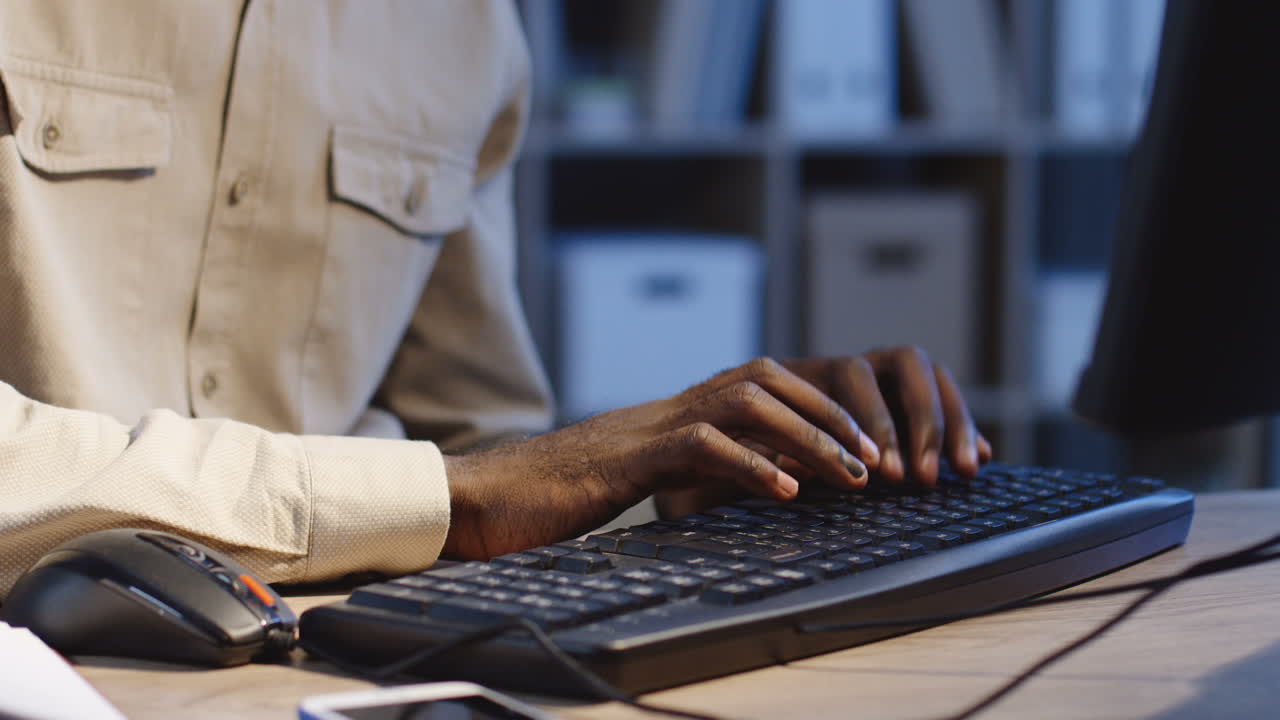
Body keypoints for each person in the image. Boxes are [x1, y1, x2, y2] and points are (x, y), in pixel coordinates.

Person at [0, 1, 989, 597]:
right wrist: (457, 495)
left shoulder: (464, 28)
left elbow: (482, 450)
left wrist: (691, 482)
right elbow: (464, 493)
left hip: (334, 661)